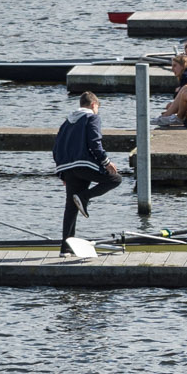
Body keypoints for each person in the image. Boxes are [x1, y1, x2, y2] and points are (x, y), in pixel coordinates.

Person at [52, 90, 120, 253]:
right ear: (94, 105)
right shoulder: (92, 117)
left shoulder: (67, 122)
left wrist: (62, 172)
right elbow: (94, 143)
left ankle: (65, 249)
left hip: (67, 168)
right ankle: (84, 197)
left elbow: (56, 147)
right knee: (115, 179)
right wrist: (106, 162)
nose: (97, 111)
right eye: (98, 108)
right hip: (84, 165)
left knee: (70, 208)